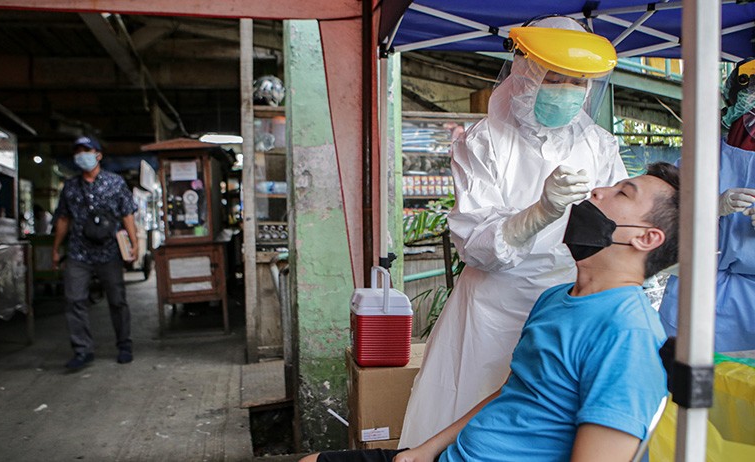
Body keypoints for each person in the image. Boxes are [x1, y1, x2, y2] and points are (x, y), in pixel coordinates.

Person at [304, 163, 679, 462]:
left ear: (646, 238)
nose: (598, 191)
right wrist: (427, 449)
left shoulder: (629, 334)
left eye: (622, 193)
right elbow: (512, 391)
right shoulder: (555, 298)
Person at [400, 16, 629, 447]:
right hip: (494, 306)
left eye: (578, 82)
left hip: (568, 303)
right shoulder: (483, 141)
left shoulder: (598, 144)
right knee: (472, 422)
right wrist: (541, 212)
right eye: (555, 79)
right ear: (526, 73)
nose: (568, 92)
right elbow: (476, 246)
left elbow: (617, 225)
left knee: (550, 425)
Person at [659, 58, 755, 353]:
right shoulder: (700, 157)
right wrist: (710, 207)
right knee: (685, 376)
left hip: (750, 306)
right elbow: (659, 222)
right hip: (696, 291)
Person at [52, 136, 139, 370]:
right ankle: (82, 350)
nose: (82, 155)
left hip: (109, 251)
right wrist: (56, 248)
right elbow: (63, 219)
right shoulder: (70, 187)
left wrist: (134, 243)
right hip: (79, 252)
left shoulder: (115, 183)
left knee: (117, 300)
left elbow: (127, 214)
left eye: (87, 150)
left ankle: (124, 345)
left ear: (98, 155)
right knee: (74, 300)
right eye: (78, 151)